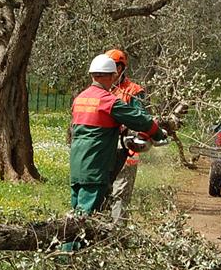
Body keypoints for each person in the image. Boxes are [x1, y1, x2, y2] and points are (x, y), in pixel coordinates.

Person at [70, 54, 168, 220]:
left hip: (77, 166)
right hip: (96, 166)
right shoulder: (109, 101)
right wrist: (158, 134)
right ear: (110, 76)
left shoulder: (80, 99)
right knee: (84, 221)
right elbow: (141, 120)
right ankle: (71, 246)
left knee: (75, 216)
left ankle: (69, 244)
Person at [105, 48, 149, 222]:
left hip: (125, 149)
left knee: (120, 195)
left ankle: (117, 235)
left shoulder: (134, 91)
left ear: (122, 68)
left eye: (115, 67)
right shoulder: (100, 89)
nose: (112, 72)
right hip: (102, 149)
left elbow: (142, 120)